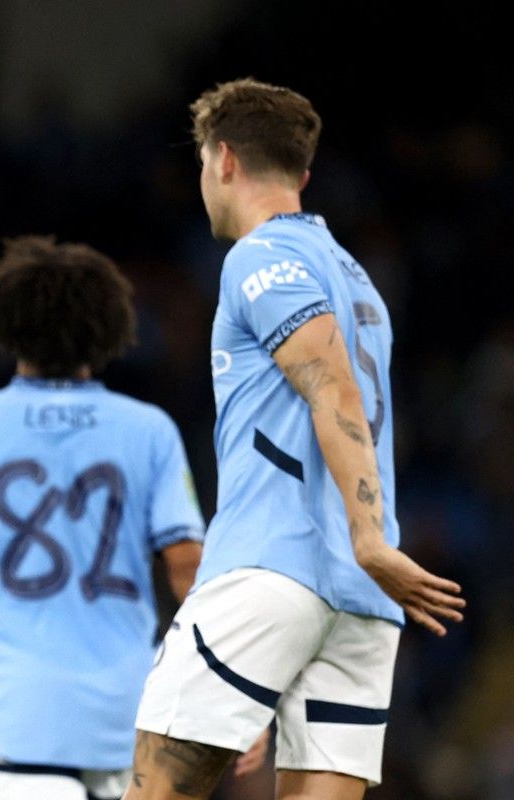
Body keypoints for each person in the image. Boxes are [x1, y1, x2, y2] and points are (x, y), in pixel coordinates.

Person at [124, 78, 466, 800]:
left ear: (222, 161)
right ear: (303, 174)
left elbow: (332, 386)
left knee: (154, 788)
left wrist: (370, 534)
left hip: (275, 561)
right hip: (362, 598)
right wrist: (370, 551)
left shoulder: (259, 257)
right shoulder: (358, 279)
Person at [0, 235, 226, 800]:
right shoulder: (148, 429)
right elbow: (188, 570)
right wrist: (223, 687)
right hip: (125, 717)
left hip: (14, 719)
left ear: (5, 326)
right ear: (108, 327)